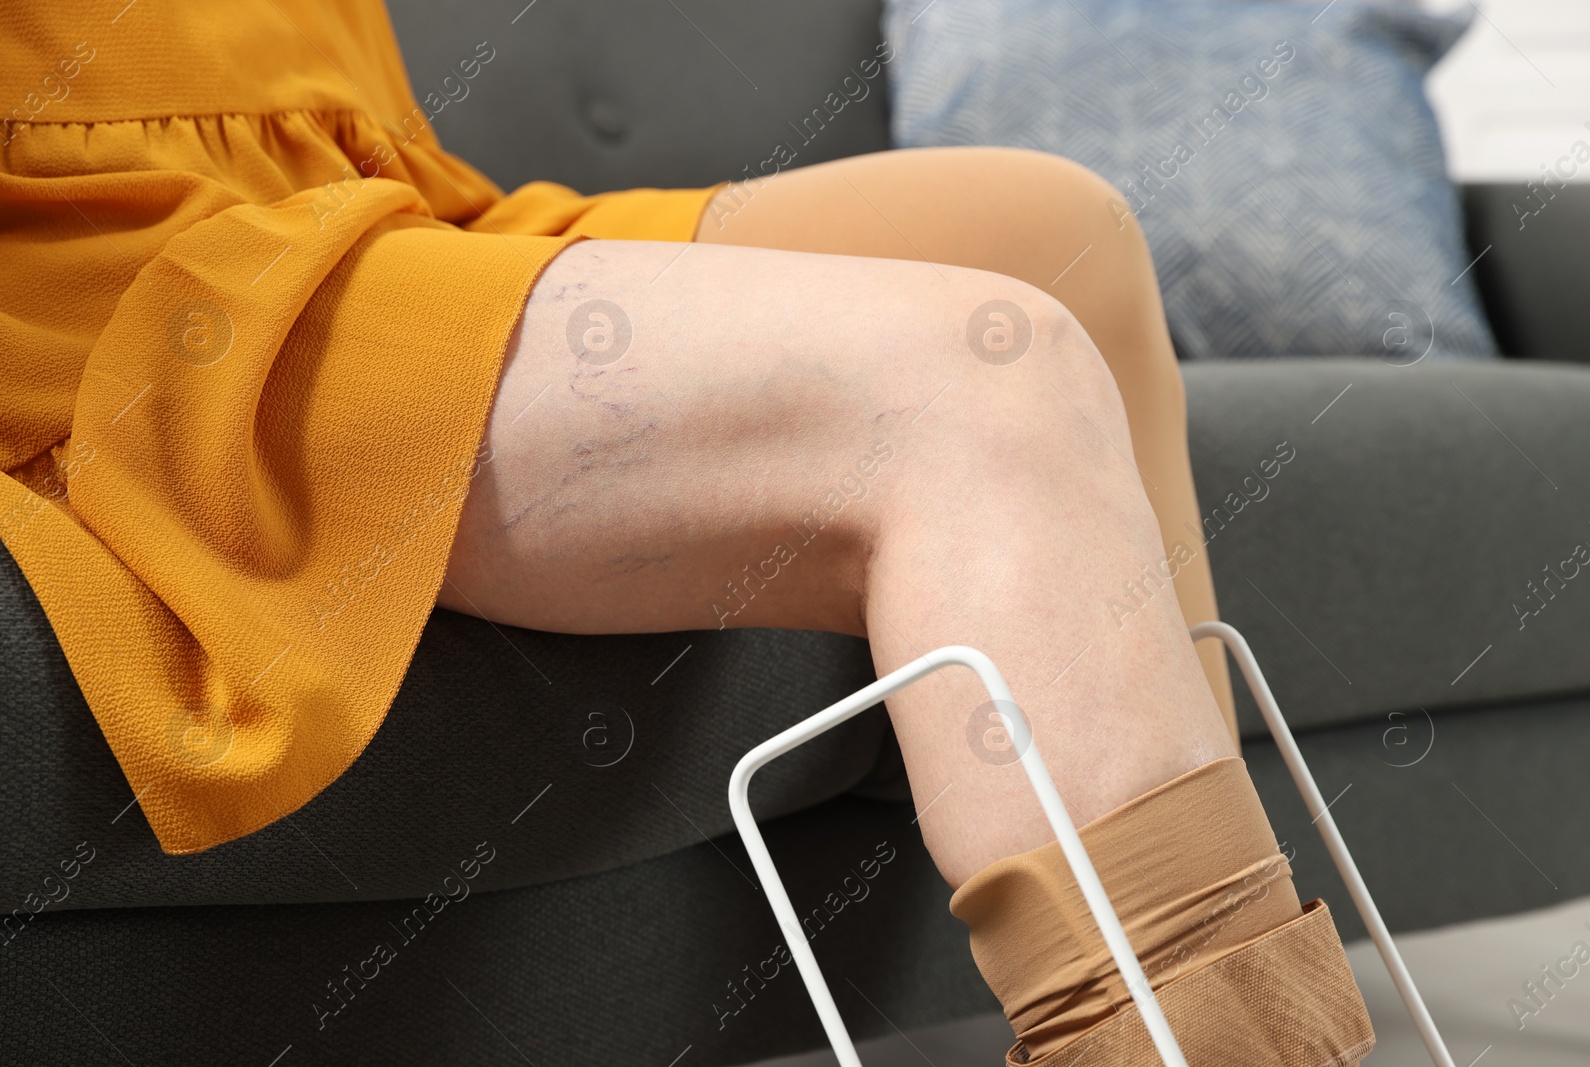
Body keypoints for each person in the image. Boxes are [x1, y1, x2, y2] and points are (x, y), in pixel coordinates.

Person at [0, 2, 1373, 1061]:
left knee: (1056, 234)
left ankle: (1173, 945)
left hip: (355, 182)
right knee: (986, 378)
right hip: (129, 284)